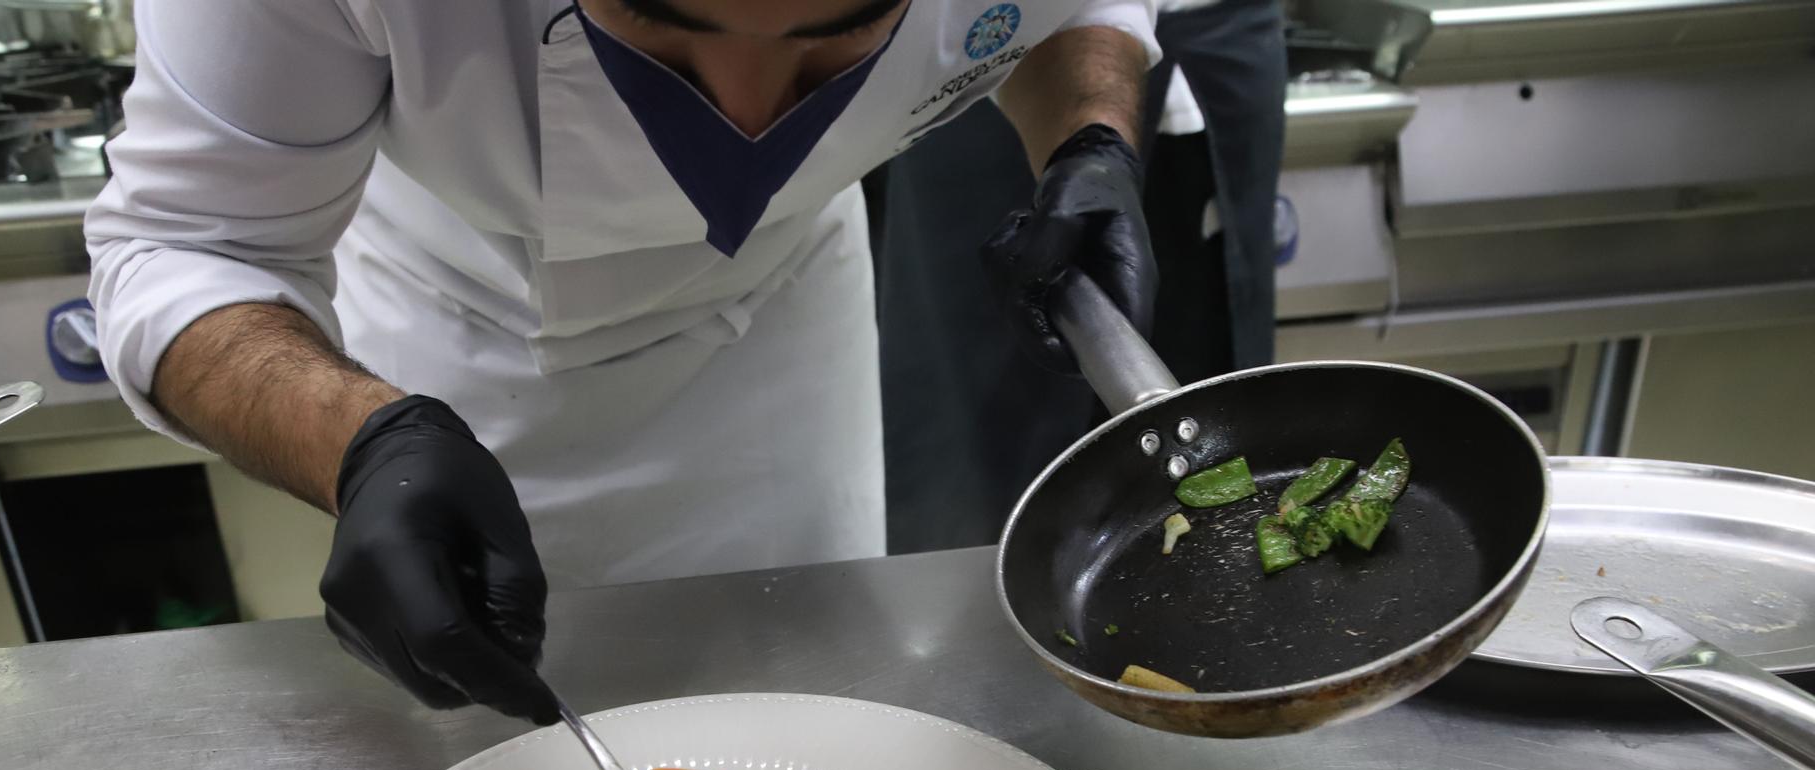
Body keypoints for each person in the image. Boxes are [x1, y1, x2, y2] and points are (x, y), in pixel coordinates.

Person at [85, 0, 1162, 724]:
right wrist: (357, 443)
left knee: (815, 723)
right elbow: (183, 246)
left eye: (834, 32)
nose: (742, 118)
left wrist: (1087, 136)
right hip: (458, 340)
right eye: (663, 23)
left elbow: (1072, 13)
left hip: (778, 335)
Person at [877, 0, 1286, 553]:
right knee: (986, 407)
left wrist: (1097, 152)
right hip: (991, 44)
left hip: (1221, 33)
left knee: (1211, 371)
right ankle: (978, 600)